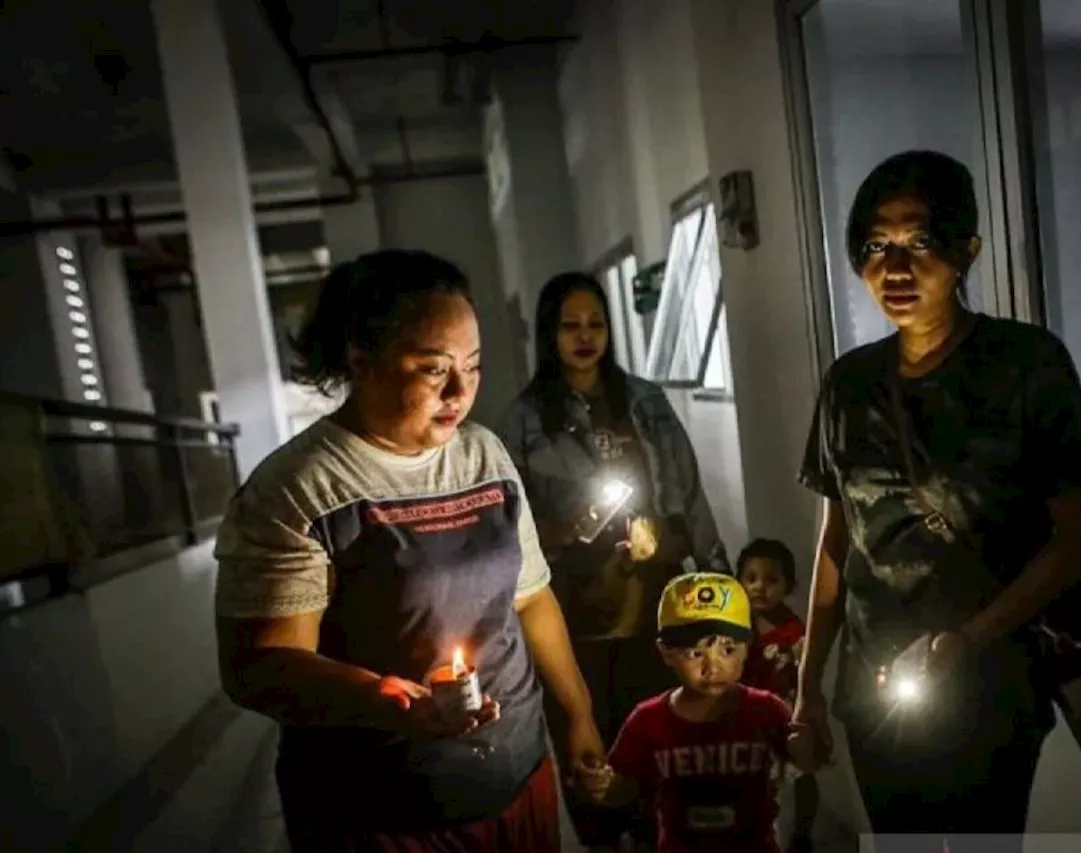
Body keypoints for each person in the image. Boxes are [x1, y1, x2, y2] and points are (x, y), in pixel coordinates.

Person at [213, 250, 604, 852]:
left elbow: (531, 598)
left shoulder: (484, 456)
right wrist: (391, 703)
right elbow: (259, 667)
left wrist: (577, 714)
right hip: (382, 810)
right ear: (360, 360)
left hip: (517, 771)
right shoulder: (299, 489)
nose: (459, 390)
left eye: (472, 367)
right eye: (432, 369)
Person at [791, 151, 1081, 852]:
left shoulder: (1026, 365)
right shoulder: (848, 385)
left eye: (920, 243)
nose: (895, 268)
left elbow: (1080, 534)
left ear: (967, 250)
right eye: (876, 245)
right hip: (875, 684)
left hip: (990, 683)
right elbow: (836, 543)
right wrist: (808, 687)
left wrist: (968, 639)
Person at [500, 272, 729, 851]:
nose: (585, 337)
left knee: (656, 739)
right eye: (570, 325)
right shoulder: (525, 420)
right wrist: (563, 530)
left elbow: (688, 493)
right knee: (591, 747)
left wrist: (715, 576)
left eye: (596, 323)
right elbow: (508, 525)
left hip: (651, 604)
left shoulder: (645, 401)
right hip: (574, 612)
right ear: (548, 334)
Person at [580, 572, 810, 853]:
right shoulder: (647, 720)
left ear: (748, 647)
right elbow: (624, 789)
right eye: (694, 653)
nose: (712, 667)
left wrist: (809, 745)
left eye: (727, 649)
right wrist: (603, 786)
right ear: (666, 652)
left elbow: (805, 764)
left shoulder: (767, 709)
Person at [736, 539, 821, 853]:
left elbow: (806, 672)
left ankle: (802, 836)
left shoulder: (794, 629)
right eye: (751, 578)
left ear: (789, 586)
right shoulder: (737, 628)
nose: (760, 587)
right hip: (750, 720)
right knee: (759, 782)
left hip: (790, 715)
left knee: (802, 775)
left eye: (772, 580)